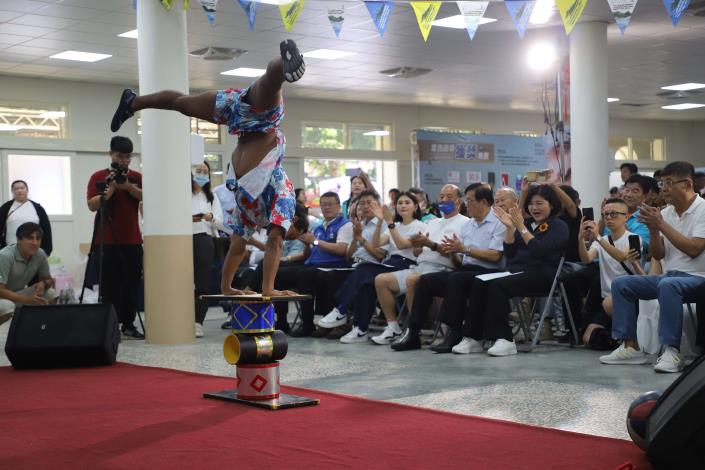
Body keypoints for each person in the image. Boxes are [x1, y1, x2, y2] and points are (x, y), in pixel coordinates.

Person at [110, 39, 306, 297]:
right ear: (290, 219)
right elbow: (276, 242)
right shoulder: (284, 197)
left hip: (236, 115)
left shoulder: (250, 210)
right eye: (291, 230)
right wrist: (269, 289)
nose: (285, 233)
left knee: (182, 103)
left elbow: (237, 246)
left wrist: (227, 288)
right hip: (262, 122)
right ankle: (283, 64)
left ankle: (133, 103)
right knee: (269, 87)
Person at [601, 162, 705, 373]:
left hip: (698, 277)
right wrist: (654, 230)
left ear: (687, 184)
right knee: (622, 284)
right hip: (672, 276)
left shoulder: (702, 210)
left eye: (669, 183)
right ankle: (631, 346)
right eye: (661, 183)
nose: (663, 188)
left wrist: (660, 225)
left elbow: (694, 249)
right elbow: (659, 254)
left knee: (668, 285)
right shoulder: (665, 213)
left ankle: (672, 351)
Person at [391, 184, 506, 352]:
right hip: (467, 270)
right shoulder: (469, 225)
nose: (466, 204)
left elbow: (495, 256)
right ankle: (413, 332)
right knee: (425, 281)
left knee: (456, 278)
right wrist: (453, 252)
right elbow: (460, 262)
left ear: (483, 202)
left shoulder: (498, 223)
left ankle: (454, 332)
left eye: (470, 200)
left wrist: (464, 249)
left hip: (489, 272)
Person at [458, 185, 569, 357]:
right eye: (531, 204)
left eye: (539, 203)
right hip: (517, 271)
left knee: (498, 285)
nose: (534, 208)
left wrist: (521, 228)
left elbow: (539, 251)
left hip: (544, 274)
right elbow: (510, 254)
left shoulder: (559, 226)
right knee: (479, 281)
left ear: (551, 205)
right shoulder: (526, 224)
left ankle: (505, 339)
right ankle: (474, 337)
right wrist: (510, 229)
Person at [376, 185, 468, 349]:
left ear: (458, 201)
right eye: (441, 196)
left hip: (441, 268)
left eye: (449, 196)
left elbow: (454, 254)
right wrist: (419, 246)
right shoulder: (433, 223)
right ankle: (393, 326)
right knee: (382, 280)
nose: (444, 200)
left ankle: (413, 332)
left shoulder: (464, 223)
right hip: (421, 265)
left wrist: (430, 244)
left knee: (413, 280)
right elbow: (420, 251)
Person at [87, 136, 144, 339]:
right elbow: (92, 205)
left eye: (128, 157)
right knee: (109, 286)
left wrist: (128, 186)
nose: (124, 160)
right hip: (107, 241)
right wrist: (110, 188)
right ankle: (110, 326)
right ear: (110, 154)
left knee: (131, 284)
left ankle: (128, 324)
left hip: (133, 240)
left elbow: (148, 197)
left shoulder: (137, 176)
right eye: (120, 156)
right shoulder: (98, 177)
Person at [578, 198, 641, 349]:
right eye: (605, 215)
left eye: (614, 214)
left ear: (626, 217)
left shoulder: (633, 238)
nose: (609, 218)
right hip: (607, 298)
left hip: (630, 296)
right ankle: (619, 339)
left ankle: (632, 340)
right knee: (588, 338)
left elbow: (621, 256)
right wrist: (580, 238)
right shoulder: (602, 240)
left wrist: (598, 238)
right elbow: (586, 259)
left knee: (610, 303)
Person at [191, 162, 225, 338]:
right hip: (184, 239)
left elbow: (221, 222)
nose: (202, 175)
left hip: (205, 240)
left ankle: (198, 321)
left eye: (206, 172)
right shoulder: (183, 193)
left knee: (202, 283)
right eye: (198, 171)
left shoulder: (211, 197)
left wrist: (210, 217)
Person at [0, 222, 58, 316]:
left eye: (38, 238)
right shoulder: (5, 256)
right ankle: (8, 331)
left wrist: (43, 284)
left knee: (51, 294)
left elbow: (49, 279)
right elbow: (0, 291)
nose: (35, 243)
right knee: (8, 306)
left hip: (17, 295)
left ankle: (43, 326)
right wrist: (28, 300)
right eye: (30, 238)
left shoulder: (40, 254)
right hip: (3, 298)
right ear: (18, 240)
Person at [0, 180, 53, 255]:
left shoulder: (38, 208)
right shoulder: (5, 208)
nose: (19, 190)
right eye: (16, 189)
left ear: (27, 190)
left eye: (22, 188)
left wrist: (47, 250)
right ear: (12, 191)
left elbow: (46, 229)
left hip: (33, 250)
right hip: (10, 250)